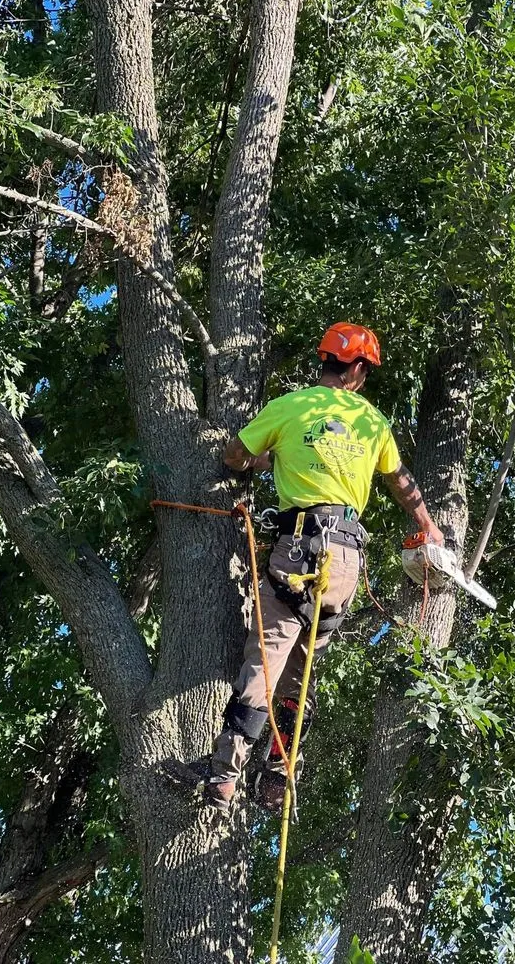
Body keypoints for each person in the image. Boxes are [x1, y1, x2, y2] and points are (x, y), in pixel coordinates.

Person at [200, 322, 443, 812]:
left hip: (298, 548)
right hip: (345, 562)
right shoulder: (373, 423)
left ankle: (225, 777)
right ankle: (277, 773)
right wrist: (429, 527)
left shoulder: (290, 408)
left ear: (327, 362)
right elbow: (400, 482)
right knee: (299, 673)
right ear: (355, 369)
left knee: (265, 660)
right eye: (366, 371)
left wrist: (272, 461)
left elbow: (233, 456)